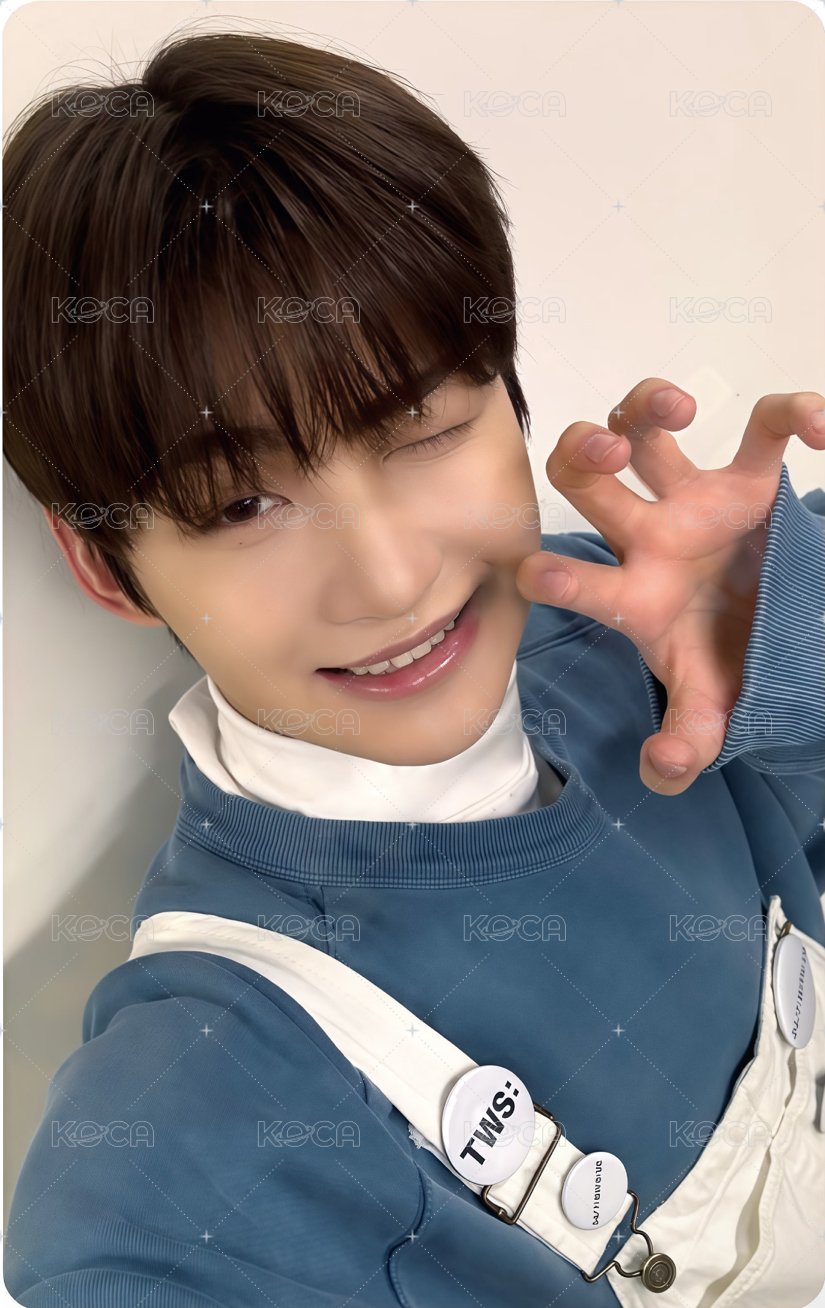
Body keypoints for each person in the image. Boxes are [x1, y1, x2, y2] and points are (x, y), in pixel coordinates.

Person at [3, 29, 825, 1308]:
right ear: (108, 567)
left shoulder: (649, 621)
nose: (390, 580)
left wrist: (792, 634)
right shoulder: (184, 1142)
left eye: (421, 427)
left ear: (512, 398)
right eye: (241, 506)